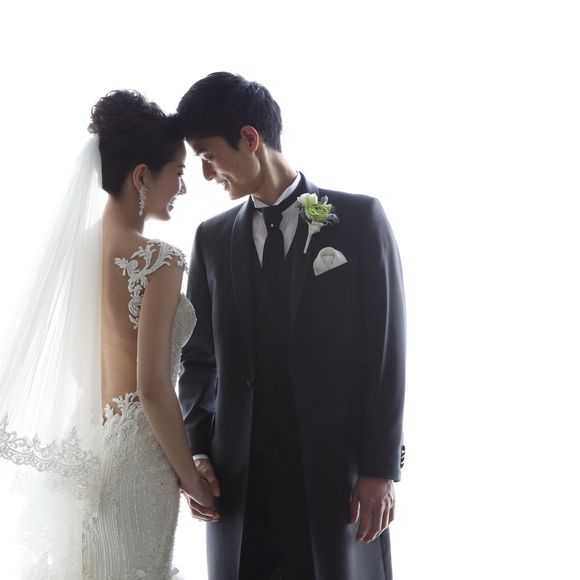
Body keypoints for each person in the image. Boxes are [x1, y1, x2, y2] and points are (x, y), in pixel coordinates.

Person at [177, 72, 406, 580]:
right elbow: (198, 358)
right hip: (240, 487)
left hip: (336, 480)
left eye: (209, 156)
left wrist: (379, 468)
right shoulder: (211, 239)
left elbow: (386, 351)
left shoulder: (360, 219)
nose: (207, 174)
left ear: (249, 138)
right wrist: (197, 448)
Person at [0, 90, 213, 579]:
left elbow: (79, 362)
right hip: (139, 462)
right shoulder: (160, 260)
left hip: (86, 450)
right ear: (142, 175)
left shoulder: (77, 249)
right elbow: (152, 388)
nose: (182, 188)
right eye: (178, 172)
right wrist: (193, 480)